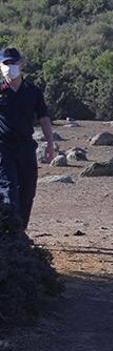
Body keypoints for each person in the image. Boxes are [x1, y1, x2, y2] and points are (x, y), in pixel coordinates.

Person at [0, 47, 55, 229]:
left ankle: (21, 231)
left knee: (28, 190)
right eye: (6, 63)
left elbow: (44, 118)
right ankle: (11, 231)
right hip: (4, 148)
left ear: (20, 64)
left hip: (26, 147)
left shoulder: (32, 91)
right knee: (8, 189)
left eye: (13, 63)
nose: (10, 67)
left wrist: (50, 143)